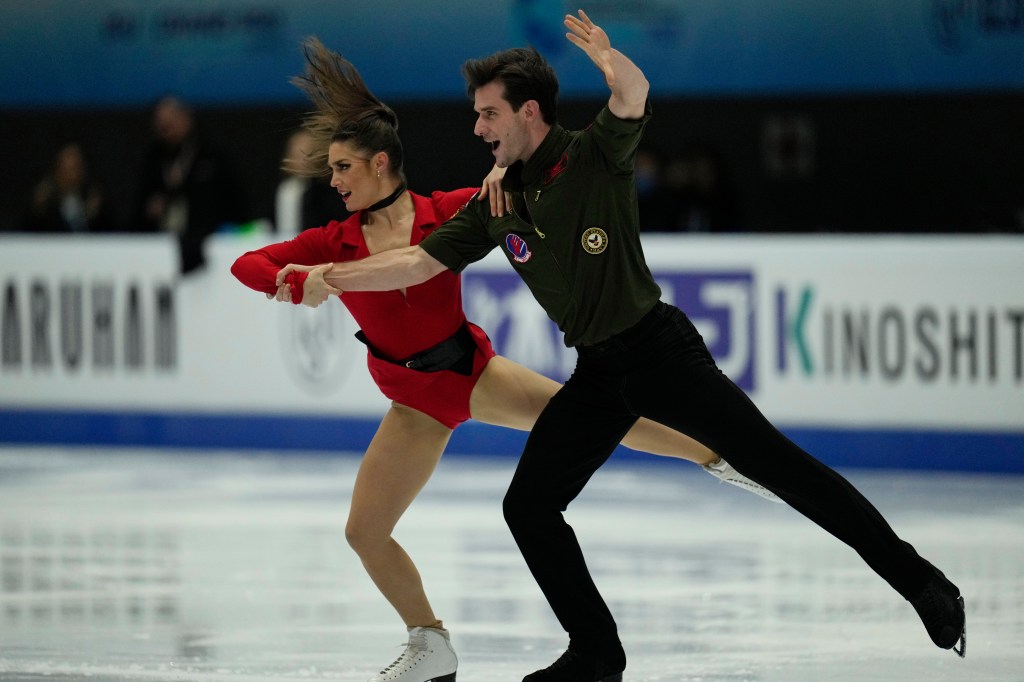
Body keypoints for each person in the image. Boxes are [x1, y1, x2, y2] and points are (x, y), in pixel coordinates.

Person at [280, 11, 967, 682]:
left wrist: (611, 63)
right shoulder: (494, 203)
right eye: (477, 113)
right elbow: (418, 263)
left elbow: (631, 98)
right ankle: (597, 655)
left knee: (788, 471)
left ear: (529, 113)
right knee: (529, 507)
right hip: (601, 373)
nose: (477, 127)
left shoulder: (593, 155)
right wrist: (328, 277)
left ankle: (924, 584)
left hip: (663, 355)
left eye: (489, 113)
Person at [231, 38, 777, 682]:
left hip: (471, 376)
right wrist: (301, 282)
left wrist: (504, 176)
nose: (334, 181)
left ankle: (719, 454)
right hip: (411, 404)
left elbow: (534, 185)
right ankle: (429, 643)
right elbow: (248, 264)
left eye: (343, 168)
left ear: (381, 164)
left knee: (614, 416)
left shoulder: (447, 211)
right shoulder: (335, 240)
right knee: (364, 531)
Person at [134, 95, 245, 274]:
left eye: (171, 124)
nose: (166, 131)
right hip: (161, 244)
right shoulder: (154, 159)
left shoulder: (211, 155)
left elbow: (234, 201)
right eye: (162, 126)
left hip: (208, 243)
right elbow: (139, 206)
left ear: (186, 119)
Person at [23, 143, 117, 233]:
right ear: (57, 170)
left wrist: (94, 215)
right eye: (66, 170)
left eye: (75, 169)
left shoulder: (94, 200)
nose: (71, 176)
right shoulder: (46, 204)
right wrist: (38, 209)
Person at [274, 127, 344, 237]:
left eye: (306, 156)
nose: (300, 161)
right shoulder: (283, 188)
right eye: (295, 155)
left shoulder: (327, 193)